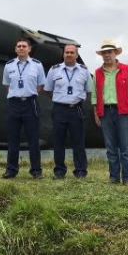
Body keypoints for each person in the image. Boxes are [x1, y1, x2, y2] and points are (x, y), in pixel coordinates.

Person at [90, 39, 128, 186]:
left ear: (115, 53)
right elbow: (94, 95)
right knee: (110, 147)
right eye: (104, 53)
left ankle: (127, 178)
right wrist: (96, 114)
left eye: (109, 52)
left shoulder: (127, 69)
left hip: (124, 112)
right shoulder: (98, 73)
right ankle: (113, 177)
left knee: (125, 147)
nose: (106, 55)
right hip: (105, 112)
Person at [44, 44, 93, 179]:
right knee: (58, 141)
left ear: (76, 55)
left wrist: (76, 100)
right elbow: (47, 89)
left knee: (78, 142)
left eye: (72, 52)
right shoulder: (54, 70)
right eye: (67, 52)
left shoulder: (84, 71)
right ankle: (59, 171)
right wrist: (61, 99)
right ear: (63, 54)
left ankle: (80, 171)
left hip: (76, 109)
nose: (69, 55)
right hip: (59, 109)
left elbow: (89, 91)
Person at [2, 37, 46, 179]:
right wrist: (17, 94)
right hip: (13, 104)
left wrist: (27, 94)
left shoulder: (37, 65)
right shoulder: (9, 65)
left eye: (24, 46)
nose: (21, 48)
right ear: (15, 49)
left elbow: (40, 86)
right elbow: (7, 85)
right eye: (19, 46)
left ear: (29, 49)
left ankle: (36, 171)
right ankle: (11, 170)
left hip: (30, 103)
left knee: (33, 139)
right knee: (12, 138)